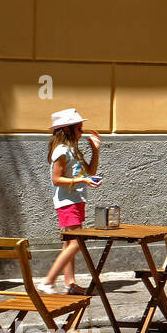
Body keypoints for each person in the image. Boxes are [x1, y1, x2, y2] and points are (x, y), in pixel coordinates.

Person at [42, 109, 100, 295]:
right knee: (76, 243)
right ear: (67, 130)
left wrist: (95, 150)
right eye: (79, 129)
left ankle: (70, 283)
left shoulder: (74, 150)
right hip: (67, 202)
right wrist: (81, 181)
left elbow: (90, 171)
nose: (81, 133)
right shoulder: (61, 151)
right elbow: (56, 179)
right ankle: (48, 281)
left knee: (69, 243)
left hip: (76, 201)